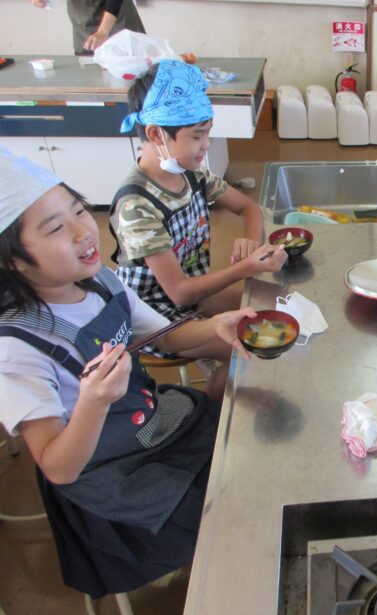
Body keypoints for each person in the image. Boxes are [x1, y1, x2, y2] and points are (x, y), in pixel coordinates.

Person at [0, 147, 258, 597]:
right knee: (228, 509)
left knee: (246, 451)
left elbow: (167, 336)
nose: (85, 231)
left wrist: (214, 326)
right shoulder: (17, 349)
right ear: (15, 261)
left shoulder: (100, 280)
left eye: (79, 209)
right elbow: (59, 468)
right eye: (57, 228)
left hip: (153, 423)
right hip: (110, 473)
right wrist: (95, 401)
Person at [110, 60, 286, 384]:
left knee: (269, 309)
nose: (206, 145)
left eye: (208, 133)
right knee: (250, 353)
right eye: (197, 136)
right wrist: (247, 268)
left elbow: (248, 207)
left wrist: (251, 243)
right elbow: (178, 293)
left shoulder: (191, 173)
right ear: (156, 134)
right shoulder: (136, 205)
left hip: (196, 294)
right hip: (158, 319)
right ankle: (209, 412)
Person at [31, 0, 145, 55]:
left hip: (116, 21)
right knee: (88, 79)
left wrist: (103, 31)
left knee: (124, 83)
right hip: (83, 23)